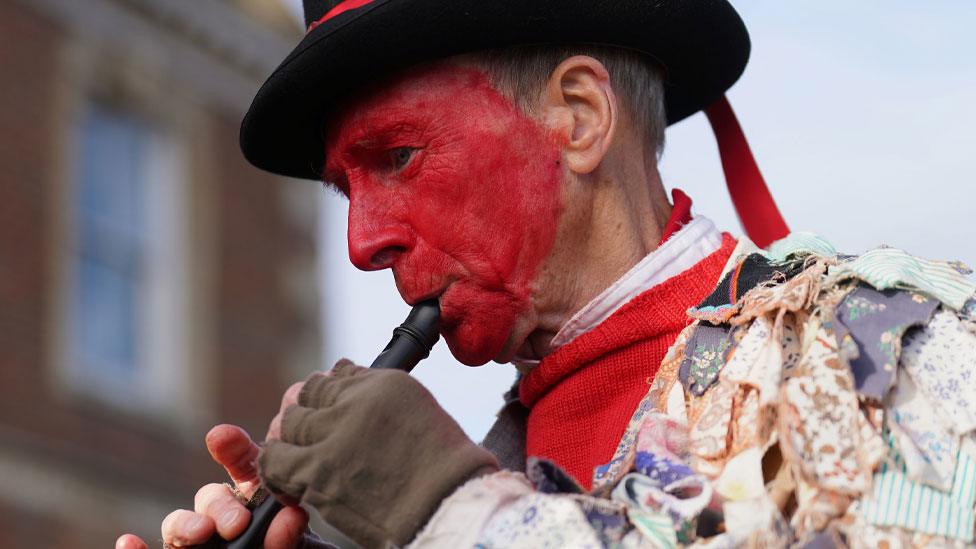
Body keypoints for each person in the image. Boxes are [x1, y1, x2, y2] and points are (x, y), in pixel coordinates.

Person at [117, 1, 976, 548]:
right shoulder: (499, 458)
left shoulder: (894, 343)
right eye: (347, 187)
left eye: (400, 156)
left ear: (579, 115)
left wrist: (448, 511)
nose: (361, 243)